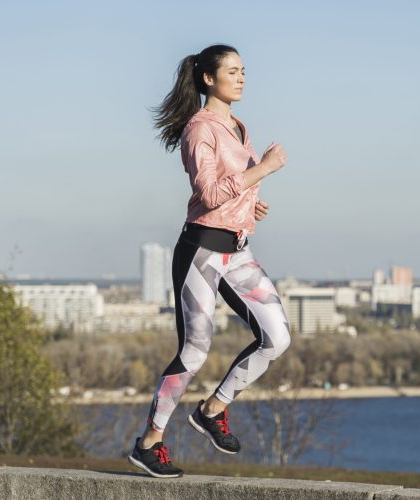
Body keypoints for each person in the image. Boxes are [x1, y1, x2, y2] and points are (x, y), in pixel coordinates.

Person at [128, 44, 291, 478]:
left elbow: (231, 192)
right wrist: (265, 170)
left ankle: (212, 410)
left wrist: (250, 205)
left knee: (277, 337)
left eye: (243, 71)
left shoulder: (238, 126)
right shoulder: (200, 129)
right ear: (208, 79)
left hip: (237, 250)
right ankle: (149, 443)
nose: (241, 78)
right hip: (201, 250)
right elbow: (208, 194)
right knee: (195, 350)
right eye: (232, 71)